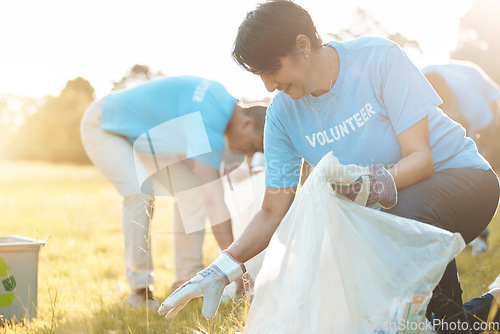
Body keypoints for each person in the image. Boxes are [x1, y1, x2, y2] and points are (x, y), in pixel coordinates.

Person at [158, 1, 500, 333]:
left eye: (271, 70)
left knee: (404, 219)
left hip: (464, 182)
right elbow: (272, 209)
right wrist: (222, 268)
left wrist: (364, 184)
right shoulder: (282, 114)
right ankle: (479, 313)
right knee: (389, 304)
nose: (268, 86)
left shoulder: (379, 58)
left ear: (302, 46)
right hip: (393, 215)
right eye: (260, 76)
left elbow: (420, 160)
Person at [80, 75, 266, 307]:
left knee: (195, 190)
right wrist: (235, 268)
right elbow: (215, 203)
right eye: (251, 147)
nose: (247, 155)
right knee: (141, 192)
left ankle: (185, 281)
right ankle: (140, 293)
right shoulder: (209, 118)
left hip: (143, 136)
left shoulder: (220, 103)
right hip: (105, 125)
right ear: (247, 124)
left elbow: (188, 157)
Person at [422, 62, 500, 255]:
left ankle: (481, 236)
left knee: (474, 169)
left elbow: (488, 144)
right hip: (456, 109)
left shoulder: (469, 97)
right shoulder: (416, 83)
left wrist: (479, 178)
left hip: (487, 101)